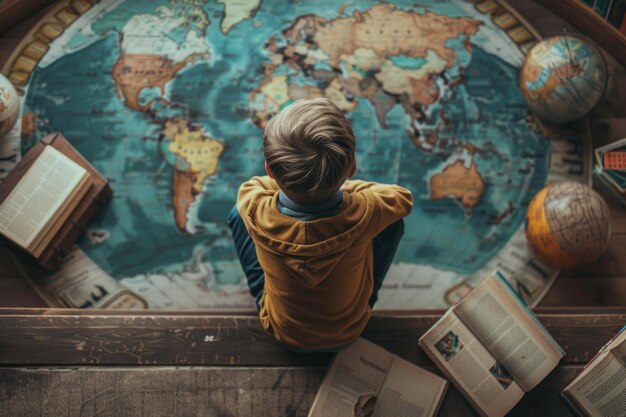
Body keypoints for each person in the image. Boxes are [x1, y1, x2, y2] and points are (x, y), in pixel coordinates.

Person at [228, 98, 413, 351]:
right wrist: (345, 185)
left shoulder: (255, 205)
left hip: (281, 329)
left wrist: (293, 179)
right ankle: (367, 296)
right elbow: (402, 197)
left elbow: (255, 185)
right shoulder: (366, 209)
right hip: (350, 328)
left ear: (270, 170)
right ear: (351, 168)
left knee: (237, 214)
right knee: (391, 222)